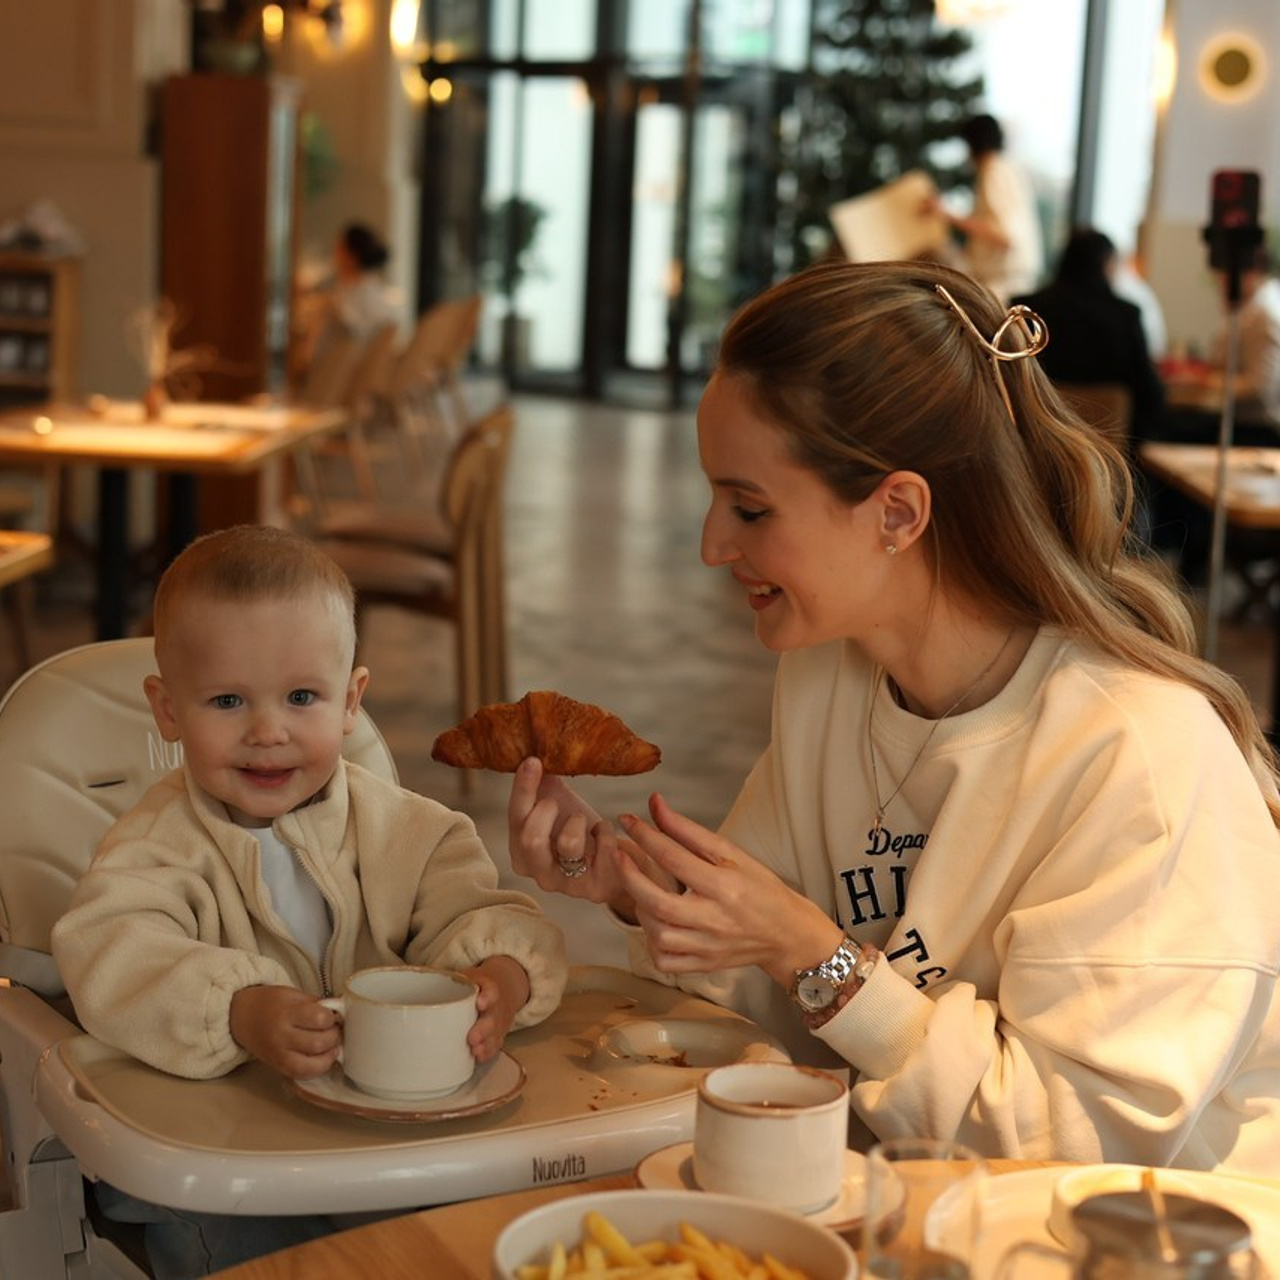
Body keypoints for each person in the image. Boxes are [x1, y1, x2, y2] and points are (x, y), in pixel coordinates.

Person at [507, 257, 1280, 1175]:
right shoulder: (833, 676)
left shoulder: (1139, 751)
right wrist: (642, 893)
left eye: (750, 507)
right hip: (899, 1199)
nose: (713, 546)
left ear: (898, 513)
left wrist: (820, 957)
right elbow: (762, 991)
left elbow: (1081, 1141)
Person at [51, 524, 567, 1278]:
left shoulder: (410, 831)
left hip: (375, 1145)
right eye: (227, 700)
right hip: (220, 1160)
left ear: (351, 700)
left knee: (469, 1232)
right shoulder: (154, 848)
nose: (269, 732)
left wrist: (502, 980)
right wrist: (238, 1009)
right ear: (167, 711)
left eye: (301, 697)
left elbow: (487, 914)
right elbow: (109, 951)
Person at [1012, 226, 1165, 446]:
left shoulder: (1025, 309)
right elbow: (1149, 391)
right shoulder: (1125, 315)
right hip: (1107, 446)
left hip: (1033, 439)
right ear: (1106, 265)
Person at [939, 113, 1044, 303]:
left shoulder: (993, 172)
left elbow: (1004, 236)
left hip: (1002, 287)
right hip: (1011, 282)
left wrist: (945, 214)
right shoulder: (1008, 169)